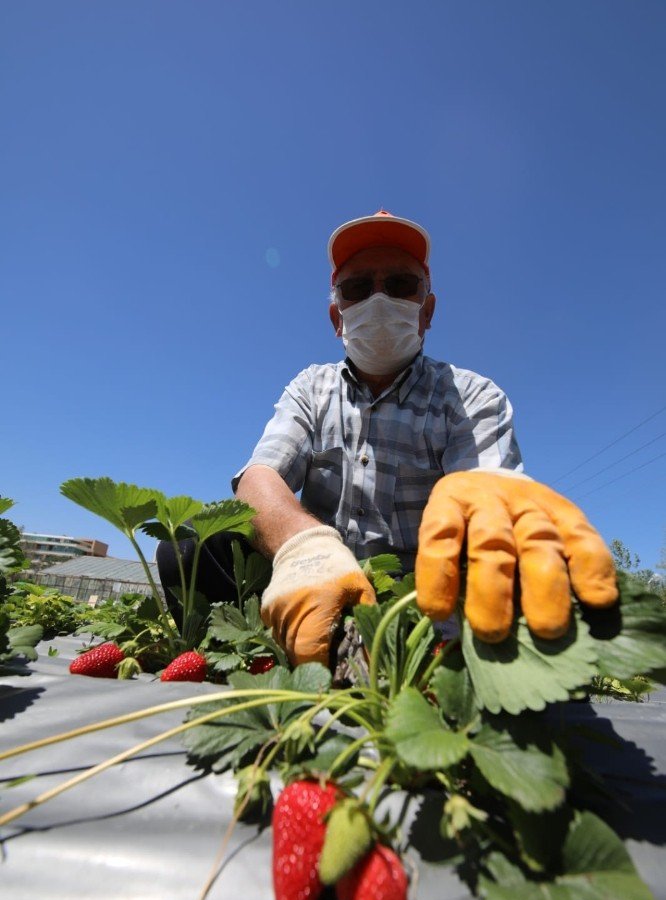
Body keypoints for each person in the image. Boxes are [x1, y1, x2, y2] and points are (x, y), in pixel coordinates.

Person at [157, 209, 618, 665]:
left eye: (399, 285)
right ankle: (237, 654)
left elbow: (488, 498)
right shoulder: (310, 388)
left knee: (523, 581)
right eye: (358, 288)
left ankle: (432, 660)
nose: (378, 300)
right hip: (313, 579)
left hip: (419, 599)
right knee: (188, 546)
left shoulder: (472, 396)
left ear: (427, 310)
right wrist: (305, 547)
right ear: (337, 317)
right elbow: (260, 478)